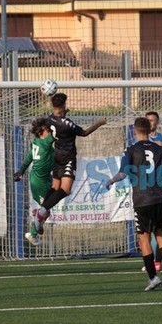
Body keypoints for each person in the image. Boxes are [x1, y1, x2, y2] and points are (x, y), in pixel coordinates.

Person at [106, 117, 162, 291]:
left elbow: (122, 174)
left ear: (134, 131)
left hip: (142, 200)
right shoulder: (159, 149)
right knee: (160, 235)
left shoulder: (131, 150)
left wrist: (112, 180)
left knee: (143, 238)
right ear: (149, 130)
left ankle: (153, 277)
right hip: (159, 198)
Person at [34, 93, 107, 234]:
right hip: (68, 159)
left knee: (55, 188)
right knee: (65, 190)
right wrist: (100, 122)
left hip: (56, 156)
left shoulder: (49, 119)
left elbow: (57, 121)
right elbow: (84, 132)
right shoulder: (67, 124)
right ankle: (42, 211)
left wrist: (63, 114)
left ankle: (42, 213)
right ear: (64, 105)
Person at [14, 118, 54, 246]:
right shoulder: (45, 142)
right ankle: (33, 232)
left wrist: (20, 171)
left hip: (44, 179)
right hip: (40, 182)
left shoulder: (36, 142)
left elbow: (28, 159)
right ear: (42, 131)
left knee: (47, 209)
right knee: (46, 210)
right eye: (47, 129)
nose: (49, 131)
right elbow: (57, 132)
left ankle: (38, 224)